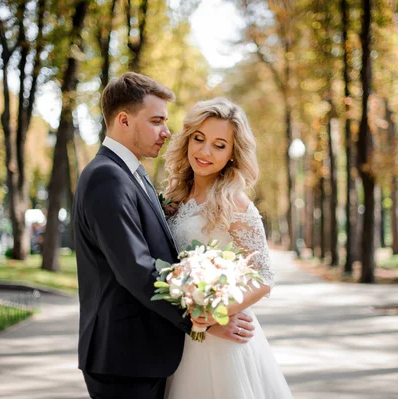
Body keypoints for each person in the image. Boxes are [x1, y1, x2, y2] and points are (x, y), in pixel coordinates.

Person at [73, 73, 255, 399]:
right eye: (157, 121)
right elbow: (137, 268)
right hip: (124, 357)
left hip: (147, 354)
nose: (167, 132)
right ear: (124, 120)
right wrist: (205, 321)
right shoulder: (107, 177)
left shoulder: (134, 173)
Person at [163, 98, 293, 399]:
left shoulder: (235, 202)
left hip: (223, 339)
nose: (205, 151)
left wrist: (215, 313)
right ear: (187, 139)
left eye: (219, 145)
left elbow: (263, 276)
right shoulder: (175, 198)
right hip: (182, 336)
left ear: (233, 153)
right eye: (199, 139)